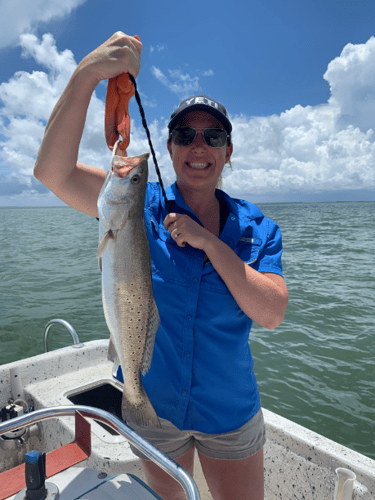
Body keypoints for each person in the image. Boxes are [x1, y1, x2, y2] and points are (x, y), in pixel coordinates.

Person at [34, 32, 288, 500]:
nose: (198, 145)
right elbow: (52, 172)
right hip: (155, 408)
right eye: (184, 135)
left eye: (213, 136)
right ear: (169, 149)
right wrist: (87, 73)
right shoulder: (134, 204)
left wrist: (209, 242)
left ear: (227, 153)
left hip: (230, 414)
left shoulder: (257, 229)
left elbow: (271, 313)